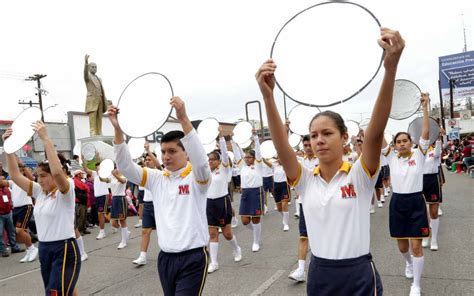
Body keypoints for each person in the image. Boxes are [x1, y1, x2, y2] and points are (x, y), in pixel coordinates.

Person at [256, 27, 405, 295]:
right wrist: (268, 97)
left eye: (327, 133)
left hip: (358, 274)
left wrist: (390, 69)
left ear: (344, 137)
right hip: (320, 273)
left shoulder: (359, 175)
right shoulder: (305, 180)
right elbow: (281, 145)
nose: (319, 140)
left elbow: (374, 135)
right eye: (313, 135)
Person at [109, 96, 211, 296]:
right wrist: (118, 130)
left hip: (193, 258)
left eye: (172, 151)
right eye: (163, 151)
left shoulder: (197, 177)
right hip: (165, 259)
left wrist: (183, 118)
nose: (166, 156)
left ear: (187, 153)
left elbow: (201, 161)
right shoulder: (156, 178)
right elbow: (125, 167)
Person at [3, 122, 81, 295]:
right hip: (45, 249)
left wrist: (46, 138)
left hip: (64, 248)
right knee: (64, 290)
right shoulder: (40, 192)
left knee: (55, 293)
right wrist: (9, 147)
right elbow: (15, 176)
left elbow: (58, 173)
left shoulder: (65, 190)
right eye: (38, 176)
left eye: (44, 176)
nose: (39, 180)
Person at [383, 94, 431, 296]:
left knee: (416, 245)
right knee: (403, 246)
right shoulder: (392, 158)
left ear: (411, 142)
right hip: (397, 202)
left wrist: (425, 107)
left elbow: (426, 132)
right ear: (394, 145)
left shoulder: (419, 154)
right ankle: (409, 263)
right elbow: (380, 137)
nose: (401, 144)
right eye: (398, 141)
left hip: (415, 202)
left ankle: (416, 285)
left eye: (405, 140)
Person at [207, 131, 242, 273]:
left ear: (219, 161)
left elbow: (225, 155)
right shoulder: (206, 172)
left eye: (212, 160)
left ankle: (237, 248)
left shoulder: (223, 168)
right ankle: (214, 263)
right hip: (209, 204)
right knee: (212, 233)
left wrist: (221, 137)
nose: (210, 162)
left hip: (223, 203)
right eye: (208, 160)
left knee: (227, 234)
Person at [288, 135, 317, 282]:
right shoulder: (300, 161)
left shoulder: (323, 160)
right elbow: (286, 156)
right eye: (305, 145)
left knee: (320, 236)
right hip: (304, 204)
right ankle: (300, 270)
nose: (307, 147)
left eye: (309, 144)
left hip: (320, 204)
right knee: (303, 236)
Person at [231, 131, 264, 252]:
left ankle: (256, 241)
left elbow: (258, 151)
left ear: (254, 158)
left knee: (255, 219)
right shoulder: (242, 167)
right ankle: (257, 231)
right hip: (246, 193)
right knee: (245, 221)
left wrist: (255, 137)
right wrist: (233, 141)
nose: (246, 158)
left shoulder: (258, 165)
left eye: (249, 157)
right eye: (245, 157)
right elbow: (237, 154)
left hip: (256, 192)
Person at [132, 142, 162, 266]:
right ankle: (142, 256)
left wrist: (148, 150)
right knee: (145, 231)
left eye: (150, 159)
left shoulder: (160, 172)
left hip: (159, 205)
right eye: (147, 159)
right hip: (148, 205)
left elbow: (160, 166)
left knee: (162, 232)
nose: (148, 161)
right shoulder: (145, 172)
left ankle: (168, 253)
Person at [8, 161, 38, 263]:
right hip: (16, 208)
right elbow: (3, 183)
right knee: (22, 232)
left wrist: (23, 166)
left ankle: (32, 248)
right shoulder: (13, 181)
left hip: (26, 206)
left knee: (19, 230)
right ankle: (29, 250)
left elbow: (32, 179)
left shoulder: (25, 180)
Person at [421, 133, 443, 251]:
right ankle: (426, 236)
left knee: (433, 212)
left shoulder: (434, 150)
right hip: (419, 181)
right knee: (423, 212)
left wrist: (438, 138)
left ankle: (434, 239)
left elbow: (438, 152)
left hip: (432, 180)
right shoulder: (416, 152)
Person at [82, 160, 110, 240]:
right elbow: (86, 169)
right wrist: (84, 160)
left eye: (99, 166)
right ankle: (113, 222)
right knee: (102, 213)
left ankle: (102, 232)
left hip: (104, 195)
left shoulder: (106, 174)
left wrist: (101, 173)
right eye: (96, 167)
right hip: (96, 196)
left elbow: (106, 180)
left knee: (100, 213)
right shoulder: (94, 174)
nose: (97, 168)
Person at [84, 54, 108, 136]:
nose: (94, 68)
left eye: (95, 67)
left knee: (99, 117)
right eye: (92, 67)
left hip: (100, 99)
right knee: (93, 117)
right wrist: (86, 63)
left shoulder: (99, 79)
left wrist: (106, 100)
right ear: (88, 68)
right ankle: (92, 131)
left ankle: (99, 131)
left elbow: (102, 90)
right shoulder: (88, 77)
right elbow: (85, 74)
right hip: (92, 100)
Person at [0, 177, 25, 257]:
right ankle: (3, 250)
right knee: (0, 233)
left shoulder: (7, 189)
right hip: (0, 214)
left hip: (8, 213)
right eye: (2, 180)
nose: (4, 181)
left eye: (4, 180)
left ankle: (14, 247)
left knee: (11, 231)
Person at [110, 168, 129, 249]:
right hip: (114, 199)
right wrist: (100, 173)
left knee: (122, 220)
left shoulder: (124, 176)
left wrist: (115, 175)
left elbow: (123, 181)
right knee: (113, 223)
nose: (115, 169)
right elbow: (103, 179)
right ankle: (126, 233)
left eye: (116, 168)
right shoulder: (111, 177)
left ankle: (124, 241)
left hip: (121, 199)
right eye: (114, 168)